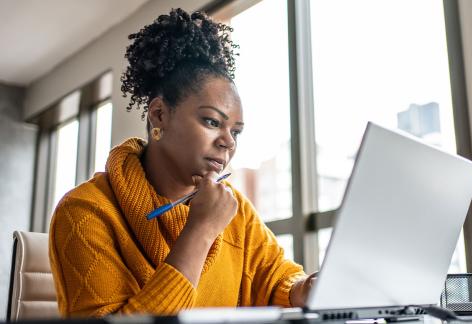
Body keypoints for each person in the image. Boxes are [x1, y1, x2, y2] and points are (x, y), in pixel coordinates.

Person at [49, 8, 315, 317]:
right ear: (160, 114)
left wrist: (303, 288)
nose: (228, 141)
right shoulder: (85, 211)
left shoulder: (235, 209)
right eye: (212, 122)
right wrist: (200, 231)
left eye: (236, 132)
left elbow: (276, 277)